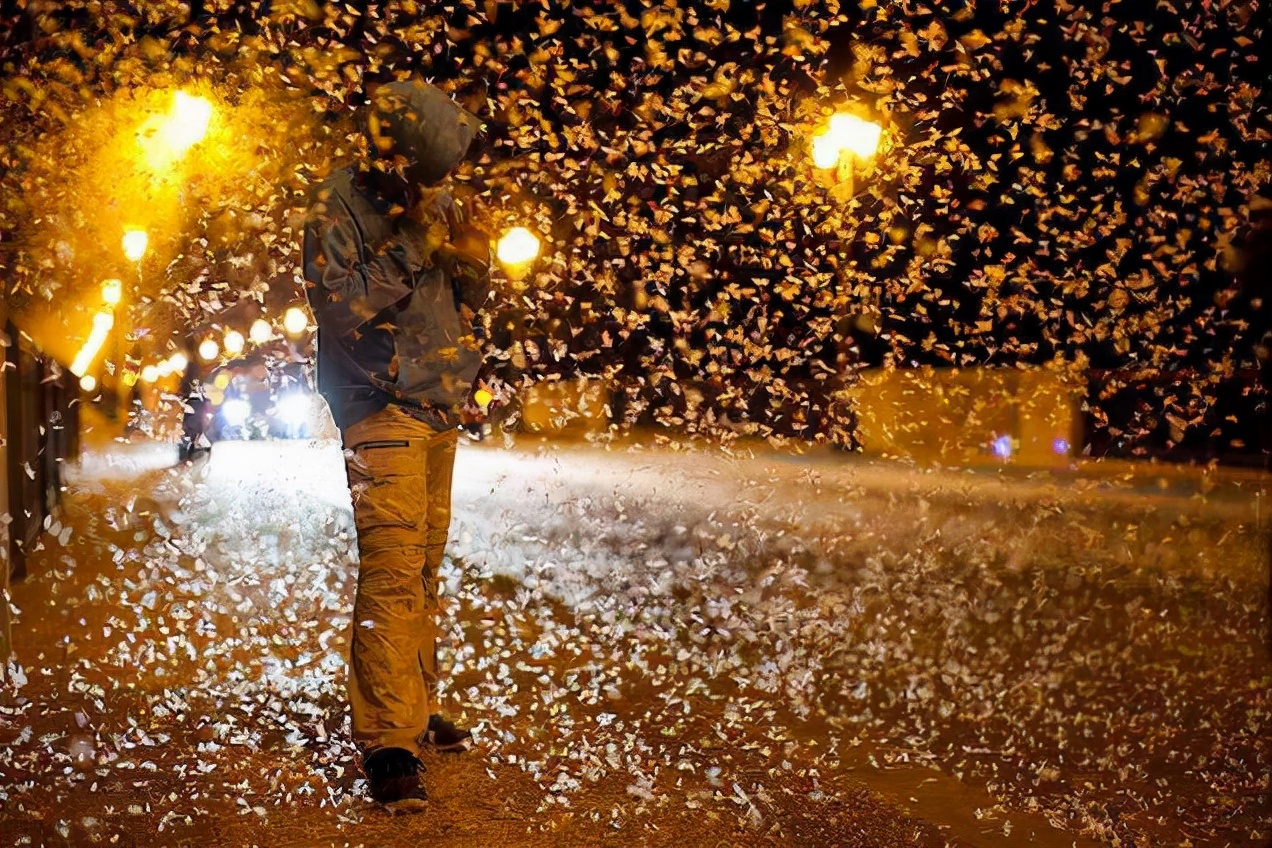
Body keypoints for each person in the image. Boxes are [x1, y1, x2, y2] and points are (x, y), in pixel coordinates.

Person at [301, 79, 492, 812]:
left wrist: (472, 261)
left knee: (423, 565)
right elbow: (341, 305)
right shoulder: (337, 202)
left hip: (438, 401)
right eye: (435, 164)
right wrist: (415, 241)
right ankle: (387, 739)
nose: (444, 181)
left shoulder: (435, 201)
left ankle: (411, 705)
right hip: (377, 401)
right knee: (390, 561)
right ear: (403, 150)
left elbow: (464, 303)